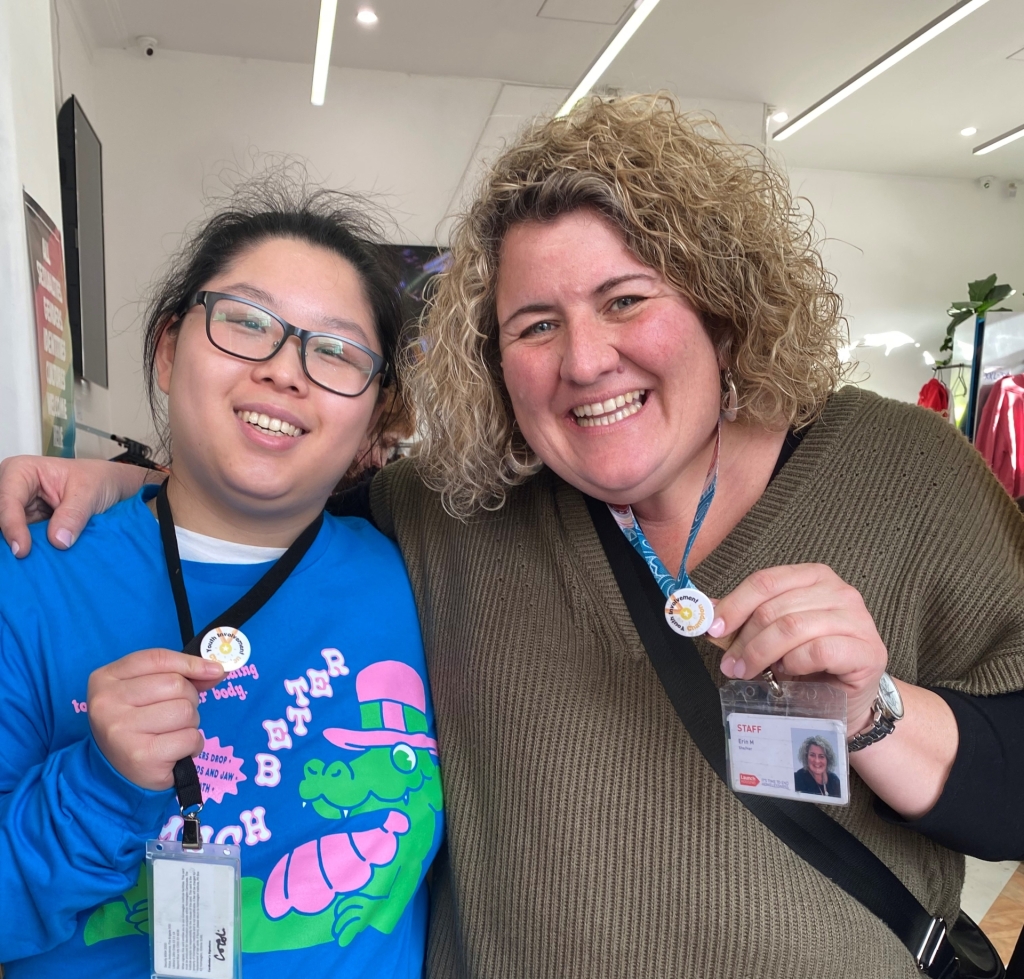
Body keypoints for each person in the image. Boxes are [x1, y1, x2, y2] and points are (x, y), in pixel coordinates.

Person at [2, 96, 1023, 978]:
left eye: (626, 300)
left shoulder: (903, 473)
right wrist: (131, 480)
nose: (585, 359)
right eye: (534, 324)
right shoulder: (455, 507)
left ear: (720, 305)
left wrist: (878, 714)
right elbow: (259, 493)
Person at [0, 180, 443, 977]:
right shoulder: (31, 579)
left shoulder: (414, 563)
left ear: (377, 414)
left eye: (337, 351)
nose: (284, 371)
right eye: (246, 322)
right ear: (170, 350)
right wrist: (96, 785)